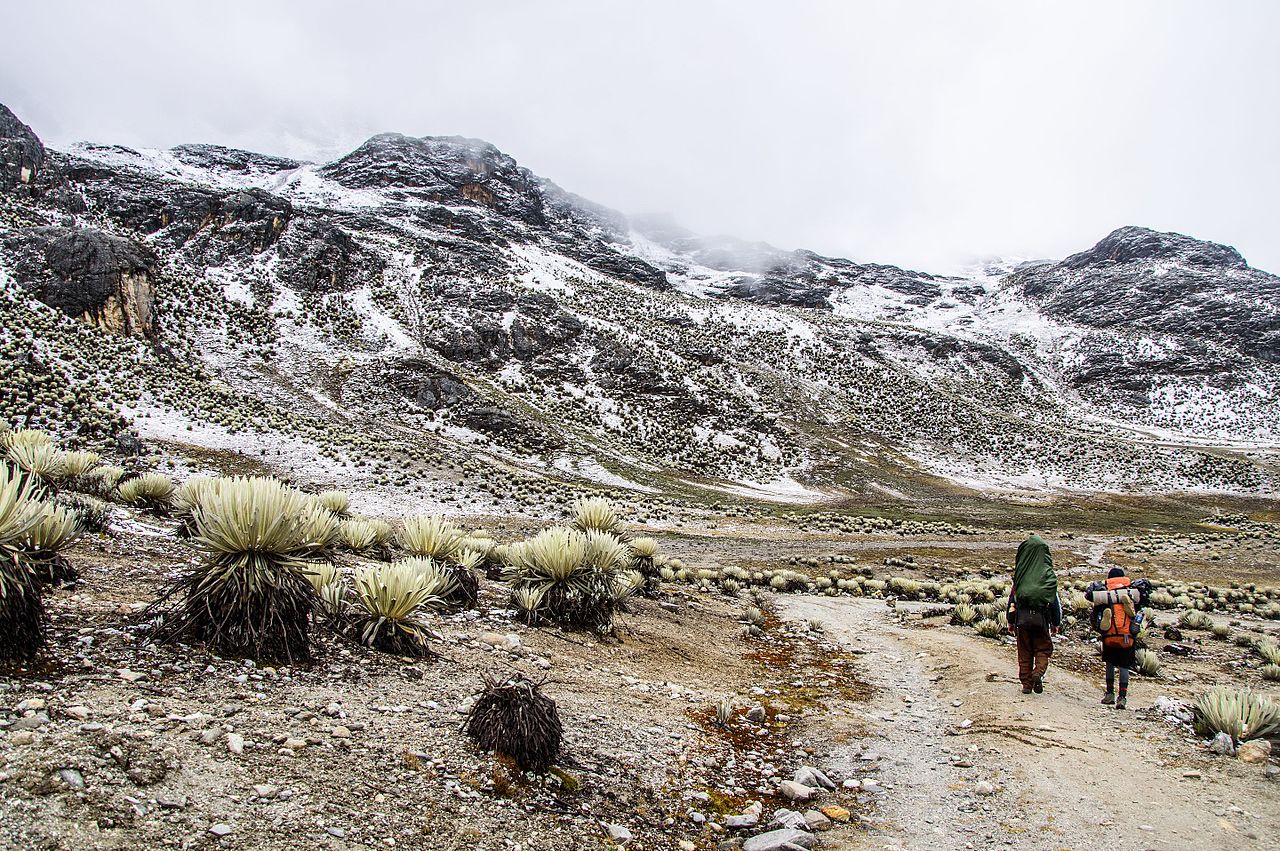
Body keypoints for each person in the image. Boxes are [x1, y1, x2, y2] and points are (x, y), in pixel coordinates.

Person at [1087, 567, 1150, 710]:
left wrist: (1099, 626)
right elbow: (1143, 607)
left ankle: (1109, 694)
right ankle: (1122, 697)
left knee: (1110, 663)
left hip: (1109, 634)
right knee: (1124, 666)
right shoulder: (1132, 593)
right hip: (1127, 635)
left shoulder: (1105, 593)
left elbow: (1094, 614)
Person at [1007, 533, 1062, 695]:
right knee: (1043, 649)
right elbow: (1054, 601)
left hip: (1022, 619)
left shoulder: (1021, 575)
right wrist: (1056, 623)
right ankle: (1038, 672)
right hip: (1042, 619)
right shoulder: (1047, 575)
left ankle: (1026, 684)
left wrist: (1010, 620)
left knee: (1024, 651)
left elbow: (1012, 600)